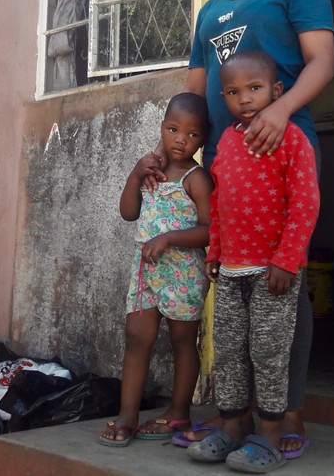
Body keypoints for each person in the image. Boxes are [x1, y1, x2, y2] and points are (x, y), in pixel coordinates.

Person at [169, 0, 334, 457]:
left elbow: (321, 60)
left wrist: (282, 110)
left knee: (283, 283)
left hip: (283, 155)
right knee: (237, 298)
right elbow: (194, 93)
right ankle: (234, 419)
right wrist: (173, 156)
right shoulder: (212, 11)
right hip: (228, 166)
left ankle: (287, 415)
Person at [188, 50, 320, 473]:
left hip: (273, 273)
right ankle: (231, 427)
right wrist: (215, 252)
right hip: (230, 273)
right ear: (223, 97)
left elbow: (305, 204)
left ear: (276, 90)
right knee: (228, 351)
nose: (244, 99)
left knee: (268, 354)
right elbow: (221, 203)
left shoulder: (292, 139)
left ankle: (269, 436)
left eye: (255, 88)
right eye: (233, 92)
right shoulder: (225, 141)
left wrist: (287, 260)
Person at [99, 92, 214, 447]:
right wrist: (135, 175)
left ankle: (179, 411)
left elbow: (211, 229)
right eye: (174, 129)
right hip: (145, 271)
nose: (181, 139)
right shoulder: (152, 169)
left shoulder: (196, 178)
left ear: (203, 139)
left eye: (193, 134)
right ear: (162, 128)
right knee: (137, 339)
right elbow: (129, 213)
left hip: (183, 272)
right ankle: (128, 414)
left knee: (182, 341)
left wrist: (171, 238)